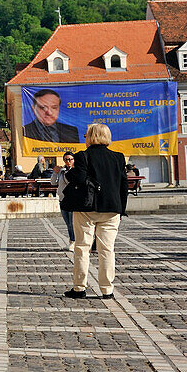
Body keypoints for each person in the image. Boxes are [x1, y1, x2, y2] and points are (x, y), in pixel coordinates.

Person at [62, 124, 128, 300]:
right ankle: (107, 290)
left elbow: (78, 178)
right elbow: (123, 186)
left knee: (82, 247)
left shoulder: (83, 156)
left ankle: (79, 288)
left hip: (86, 208)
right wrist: (121, 210)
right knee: (107, 249)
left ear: (90, 137)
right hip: (112, 208)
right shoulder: (118, 157)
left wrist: (69, 174)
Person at [49, 151, 76, 251]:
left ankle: (74, 242)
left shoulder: (76, 170)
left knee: (72, 223)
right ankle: (71, 241)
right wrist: (55, 173)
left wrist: (67, 172)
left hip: (72, 199)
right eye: (66, 159)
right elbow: (53, 182)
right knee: (68, 222)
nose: (68, 161)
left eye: (70, 159)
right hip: (62, 198)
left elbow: (71, 181)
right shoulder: (62, 170)